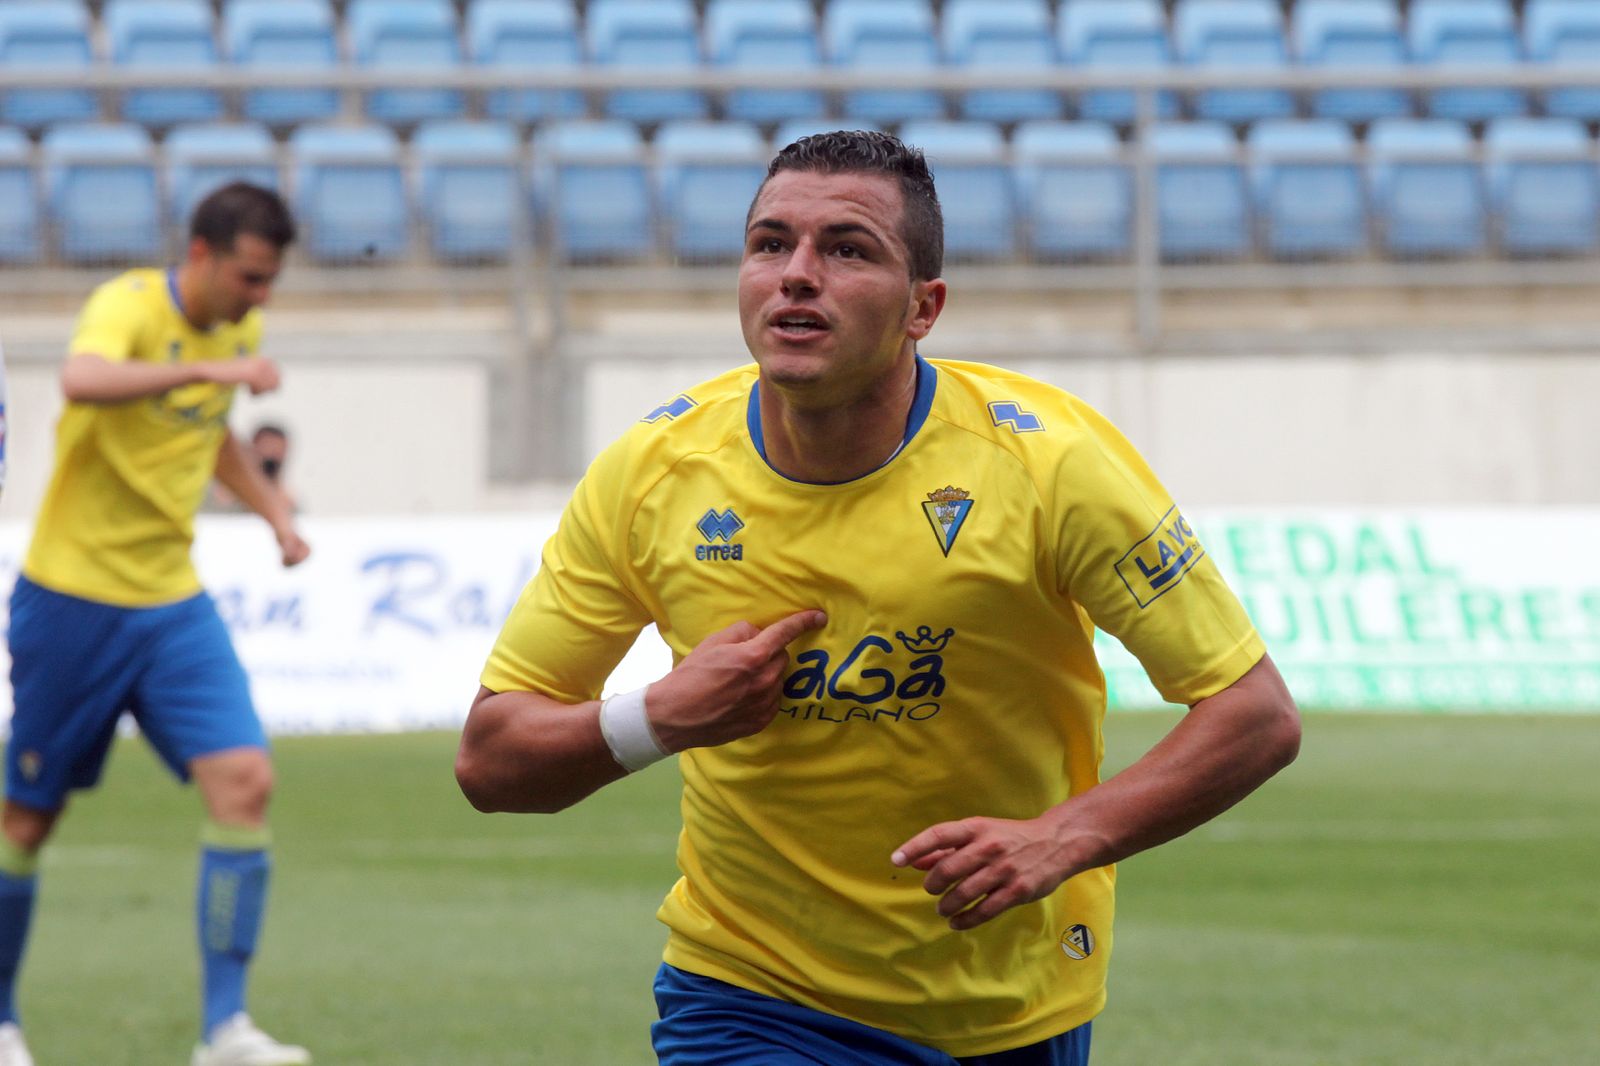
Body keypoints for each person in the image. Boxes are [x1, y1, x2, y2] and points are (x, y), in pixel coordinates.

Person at [455, 131, 1302, 1065]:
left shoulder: (1051, 463)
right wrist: (657, 717)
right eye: (769, 244)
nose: (797, 275)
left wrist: (1064, 837)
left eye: (848, 250)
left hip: (1013, 1000)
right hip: (749, 996)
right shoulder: (653, 475)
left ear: (922, 307)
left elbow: (1253, 713)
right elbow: (492, 760)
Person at [2, 182, 312, 1066]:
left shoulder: (235, 332)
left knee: (245, 780)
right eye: (250, 278)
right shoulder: (128, 306)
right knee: (28, 819)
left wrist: (272, 513)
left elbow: (213, 434)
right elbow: (83, 379)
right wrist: (209, 369)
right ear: (202, 254)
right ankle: (1, 1019)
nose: (261, 298)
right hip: (70, 600)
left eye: (270, 282)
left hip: (172, 600)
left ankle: (225, 1029)